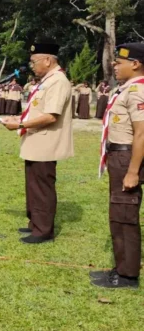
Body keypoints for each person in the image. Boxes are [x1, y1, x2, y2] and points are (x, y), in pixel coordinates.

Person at [2, 40, 73, 244]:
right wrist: (18, 120)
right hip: (36, 140)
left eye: (34, 61)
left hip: (46, 143)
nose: (32, 66)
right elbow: (37, 110)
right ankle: (35, 223)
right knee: (33, 185)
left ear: (48, 60)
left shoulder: (58, 81)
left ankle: (43, 230)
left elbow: (51, 116)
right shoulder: (47, 81)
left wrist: (19, 125)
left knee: (42, 187)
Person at [91, 43, 144, 289]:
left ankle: (127, 276)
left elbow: (142, 133)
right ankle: (121, 268)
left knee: (125, 217)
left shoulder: (137, 91)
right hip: (119, 157)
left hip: (127, 159)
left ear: (135, 64)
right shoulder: (127, 89)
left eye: (120, 62)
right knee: (118, 215)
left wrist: (133, 171)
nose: (114, 65)